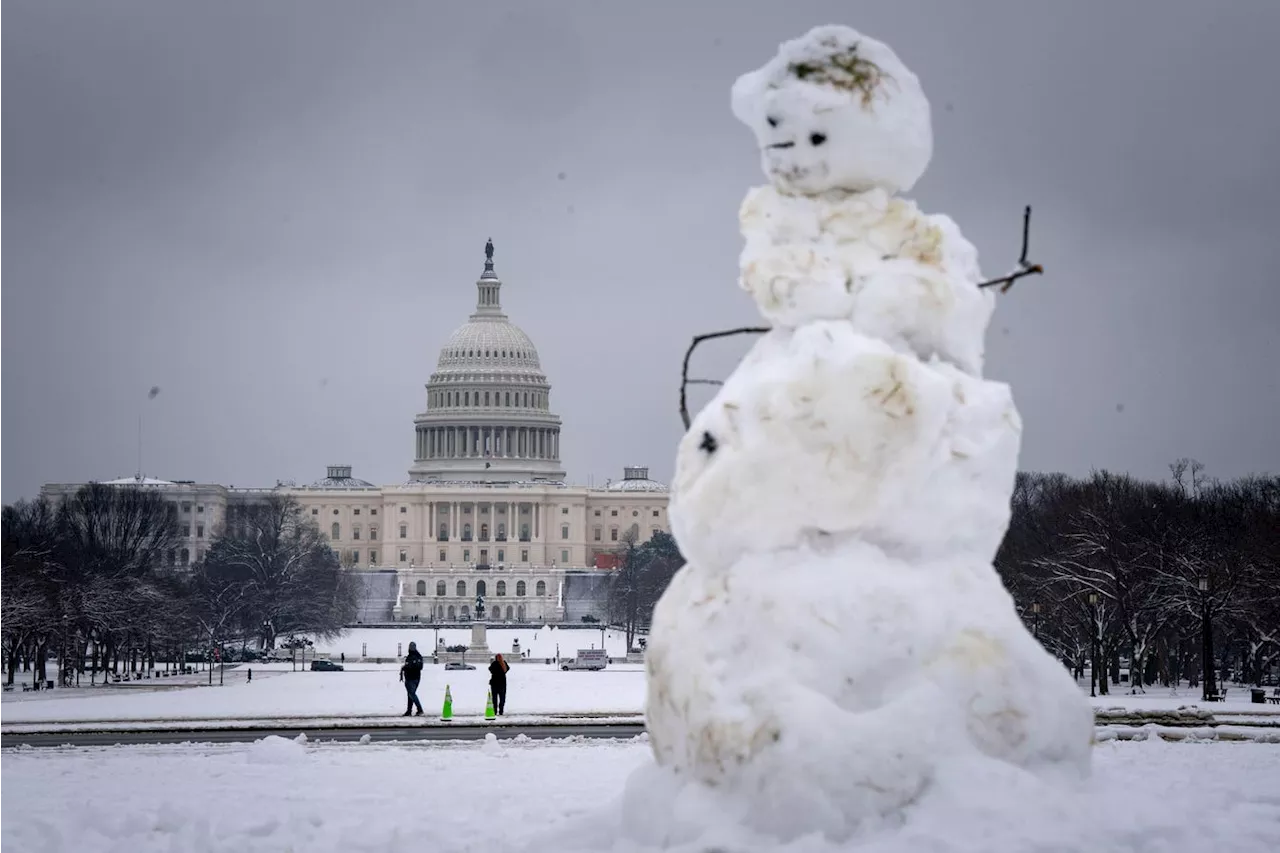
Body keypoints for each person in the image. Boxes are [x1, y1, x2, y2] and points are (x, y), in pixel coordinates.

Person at [399, 642, 425, 717]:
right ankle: (409, 711)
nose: (410, 648)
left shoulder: (415, 656)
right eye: (410, 647)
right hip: (412, 678)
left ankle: (419, 710)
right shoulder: (414, 656)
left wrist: (407, 667)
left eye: (411, 647)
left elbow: (418, 667)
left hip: (412, 678)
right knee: (410, 694)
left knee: (412, 694)